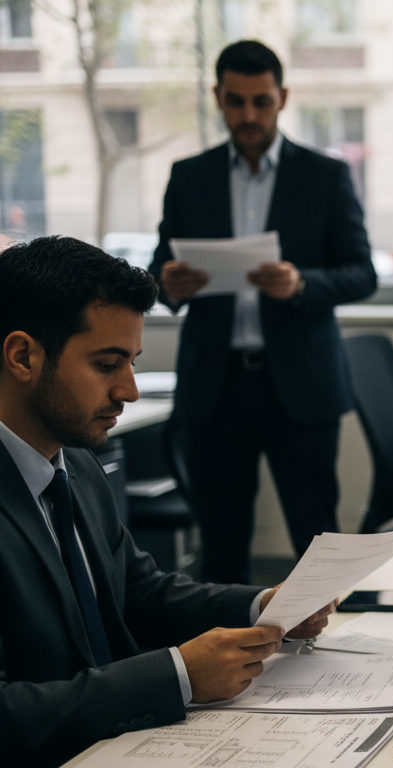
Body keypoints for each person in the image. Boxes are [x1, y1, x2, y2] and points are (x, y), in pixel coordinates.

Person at [0, 236, 334, 767]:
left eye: (131, 362)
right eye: (107, 364)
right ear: (23, 356)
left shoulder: (76, 463)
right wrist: (177, 676)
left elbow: (138, 593)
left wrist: (261, 608)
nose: (129, 391)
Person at [149, 40, 377, 583]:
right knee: (222, 541)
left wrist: (302, 283)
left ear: (283, 98)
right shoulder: (190, 175)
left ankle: (329, 660)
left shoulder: (324, 176)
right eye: (235, 101)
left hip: (300, 382)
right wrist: (169, 282)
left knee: (316, 541)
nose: (248, 115)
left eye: (261, 101)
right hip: (216, 383)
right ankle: (229, 662)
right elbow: (160, 268)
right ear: (217, 97)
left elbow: (362, 273)